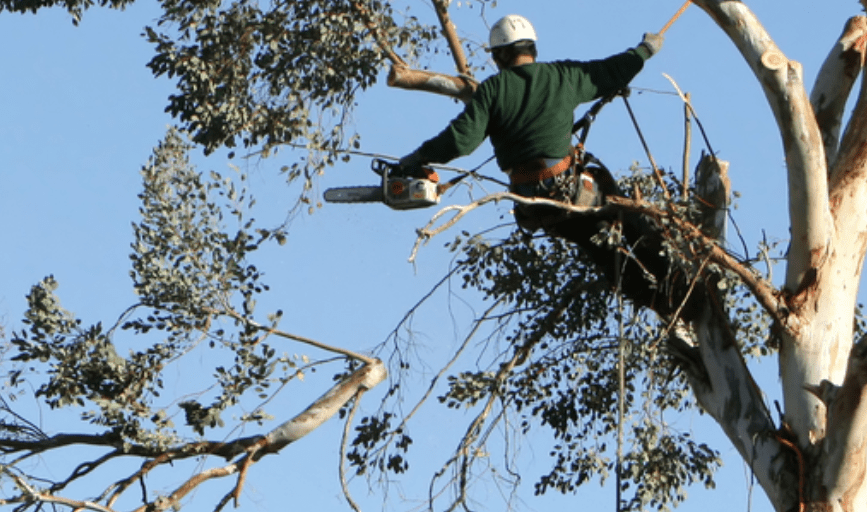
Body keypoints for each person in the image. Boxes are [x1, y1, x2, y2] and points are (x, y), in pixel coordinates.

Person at [399, 15, 704, 321]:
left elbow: (459, 142)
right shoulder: (562, 75)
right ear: (531, 47)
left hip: (534, 205)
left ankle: (660, 304)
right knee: (627, 214)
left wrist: (418, 157)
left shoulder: (492, 90)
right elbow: (611, 71)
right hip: (570, 190)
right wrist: (644, 50)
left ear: (500, 55)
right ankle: (680, 285)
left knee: (598, 247)